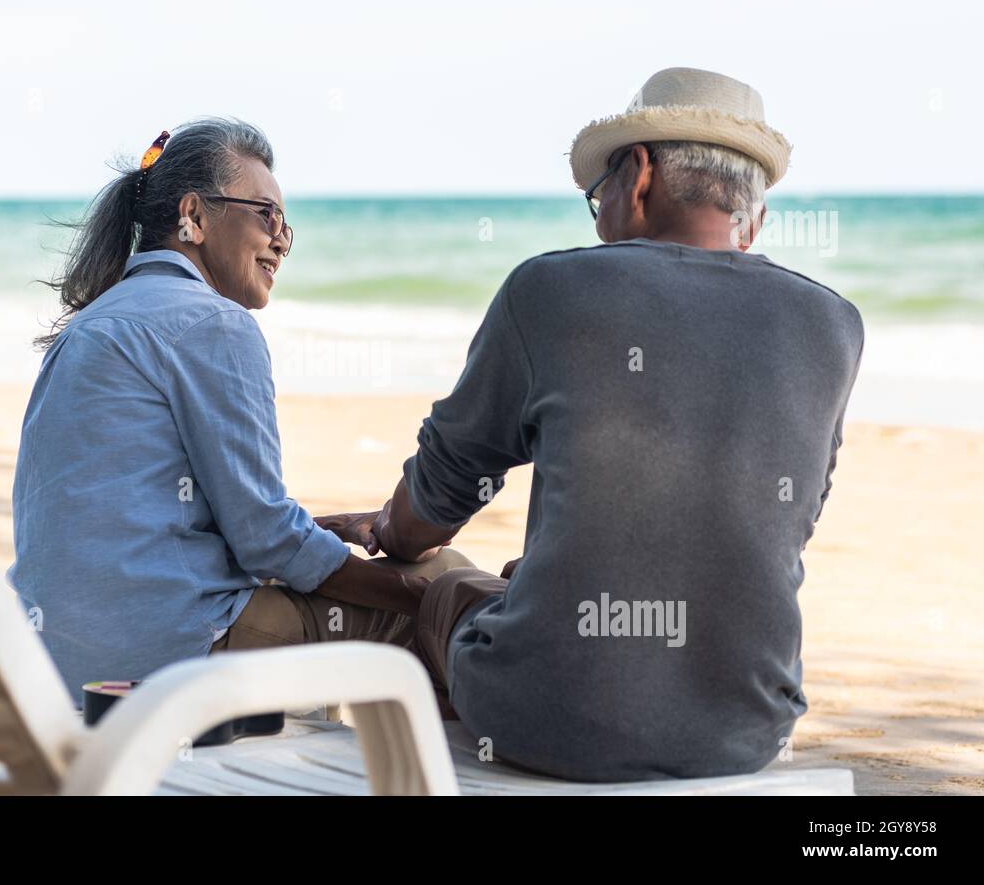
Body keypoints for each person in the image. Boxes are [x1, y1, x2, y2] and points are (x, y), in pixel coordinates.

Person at [323, 68, 865, 781]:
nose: (599, 212)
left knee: (450, 593)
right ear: (754, 219)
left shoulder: (549, 290)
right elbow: (780, 515)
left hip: (545, 717)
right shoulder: (832, 324)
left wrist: (390, 533)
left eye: (596, 194)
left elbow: (441, 494)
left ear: (638, 176)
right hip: (744, 727)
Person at [7, 117, 471, 706]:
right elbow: (268, 543)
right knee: (445, 590)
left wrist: (321, 529)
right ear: (195, 217)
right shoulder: (214, 324)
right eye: (266, 215)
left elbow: (139, 525)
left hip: (63, 664)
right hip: (173, 661)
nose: (281, 239)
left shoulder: (92, 326)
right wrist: (418, 593)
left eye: (286, 225)